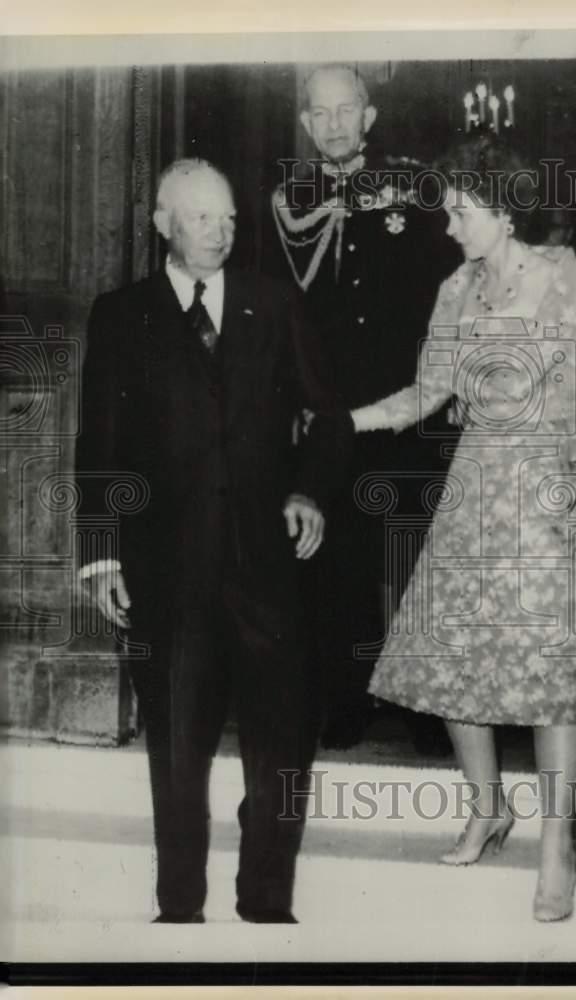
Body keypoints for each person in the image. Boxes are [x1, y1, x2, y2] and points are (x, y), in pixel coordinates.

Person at [75, 158, 352, 924]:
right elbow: (97, 443)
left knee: (281, 749)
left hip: (269, 571)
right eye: (202, 218)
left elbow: (330, 423)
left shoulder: (275, 303)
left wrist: (309, 492)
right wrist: (100, 551)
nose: (220, 233)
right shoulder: (119, 313)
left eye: (229, 218)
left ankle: (266, 906)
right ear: (163, 223)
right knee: (176, 750)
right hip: (166, 576)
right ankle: (179, 911)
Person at [350, 134, 576, 922]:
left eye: (461, 213)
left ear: (501, 212)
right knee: (457, 655)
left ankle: (556, 846)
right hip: (474, 487)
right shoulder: (455, 289)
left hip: (551, 490)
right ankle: (485, 807)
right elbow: (426, 392)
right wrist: (343, 422)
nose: (451, 227)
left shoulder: (570, 285)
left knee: (554, 672)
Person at [271, 63, 459, 751]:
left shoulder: (416, 185)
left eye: (345, 110)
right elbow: (281, 311)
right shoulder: (291, 196)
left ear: (369, 116)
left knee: (415, 553)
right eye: (319, 115)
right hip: (327, 405)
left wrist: (453, 384)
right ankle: (345, 702)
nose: (333, 125)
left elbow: (451, 288)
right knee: (335, 560)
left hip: (407, 402)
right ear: (305, 124)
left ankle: (426, 709)